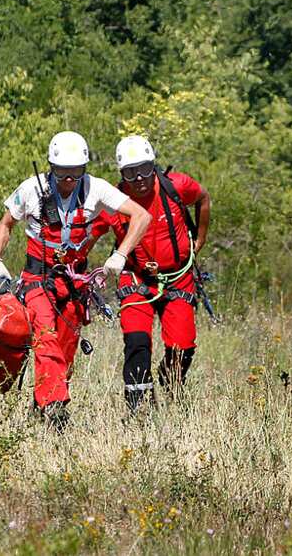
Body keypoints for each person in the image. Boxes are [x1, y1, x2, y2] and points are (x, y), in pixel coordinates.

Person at [0, 131, 151, 431]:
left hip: (75, 286)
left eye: (75, 174)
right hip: (38, 279)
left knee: (65, 350)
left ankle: (42, 408)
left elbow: (141, 216)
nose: (69, 180)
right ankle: (58, 410)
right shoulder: (31, 190)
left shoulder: (95, 189)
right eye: (63, 174)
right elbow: (5, 224)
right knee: (46, 339)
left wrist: (122, 254)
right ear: (51, 167)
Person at [92, 135, 211, 414]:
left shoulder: (176, 186)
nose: (139, 178)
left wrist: (200, 238)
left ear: (154, 165)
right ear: (122, 174)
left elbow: (203, 198)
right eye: (130, 173)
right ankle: (139, 409)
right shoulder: (113, 200)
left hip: (178, 278)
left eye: (145, 169)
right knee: (137, 342)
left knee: (182, 346)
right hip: (135, 279)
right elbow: (89, 232)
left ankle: (171, 382)